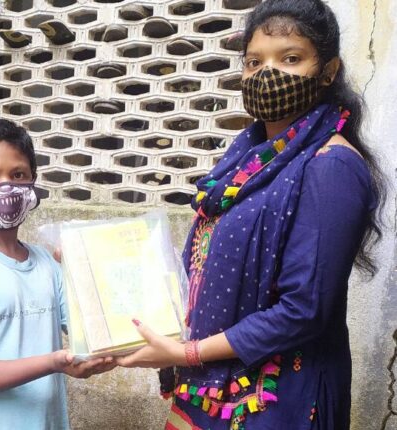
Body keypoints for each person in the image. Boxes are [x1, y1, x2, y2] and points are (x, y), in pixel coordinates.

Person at [115, 1, 383, 429]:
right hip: (211, 387)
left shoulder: (330, 167)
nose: (267, 73)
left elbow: (303, 310)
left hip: (275, 400)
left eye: (290, 58)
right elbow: (207, 264)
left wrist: (187, 353)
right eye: (254, 62)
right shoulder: (248, 160)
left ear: (328, 71)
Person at [0, 118, 116, 430]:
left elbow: (91, 330)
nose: (7, 186)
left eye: (18, 175)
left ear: (32, 182)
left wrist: (81, 269)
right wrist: (53, 362)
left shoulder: (47, 263)